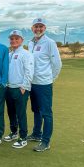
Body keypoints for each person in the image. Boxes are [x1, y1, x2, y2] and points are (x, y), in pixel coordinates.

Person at [28, 18, 62, 152]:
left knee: (46, 113)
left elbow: (57, 64)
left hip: (44, 84)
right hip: (33, 83)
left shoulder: (50, 43)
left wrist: (50, 78)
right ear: (32, 28)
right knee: (36, 110)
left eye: (41, 26)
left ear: (45, 28)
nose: (38, 29)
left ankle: (46, 141)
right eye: (36, 26)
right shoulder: (31, 43)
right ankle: (37, 134)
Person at [3, 30, 34, 149]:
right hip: (9, 88)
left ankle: (23, 138)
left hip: (20, 89)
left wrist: (24, 86)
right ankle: (14, 133)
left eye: (17, 38)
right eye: (12, 39)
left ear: (22, 40)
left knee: (20, 114)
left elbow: (29, 71)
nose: (14, 41)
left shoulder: (26, 54)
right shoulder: (10, 54)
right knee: (11, 113)